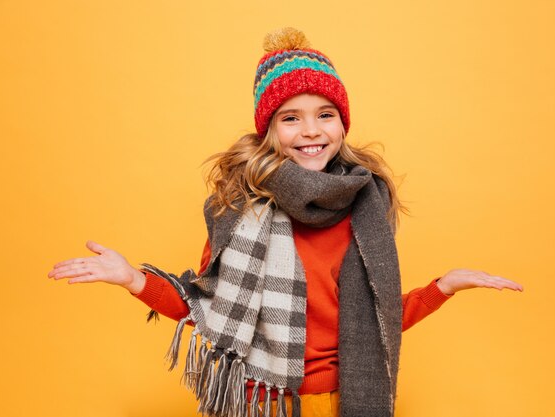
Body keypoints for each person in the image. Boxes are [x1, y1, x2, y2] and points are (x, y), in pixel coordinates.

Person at [48, 27, 523, 417]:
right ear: (269, 130)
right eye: (290, 118)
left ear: (343, 124)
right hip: (261, 402)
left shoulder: (365, 208)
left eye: (326, 114)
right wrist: (134, 279)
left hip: (345, 402)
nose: (312, 130)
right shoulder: (239, 211)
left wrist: (443, 287)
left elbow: (377, 319)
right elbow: (209, 308)